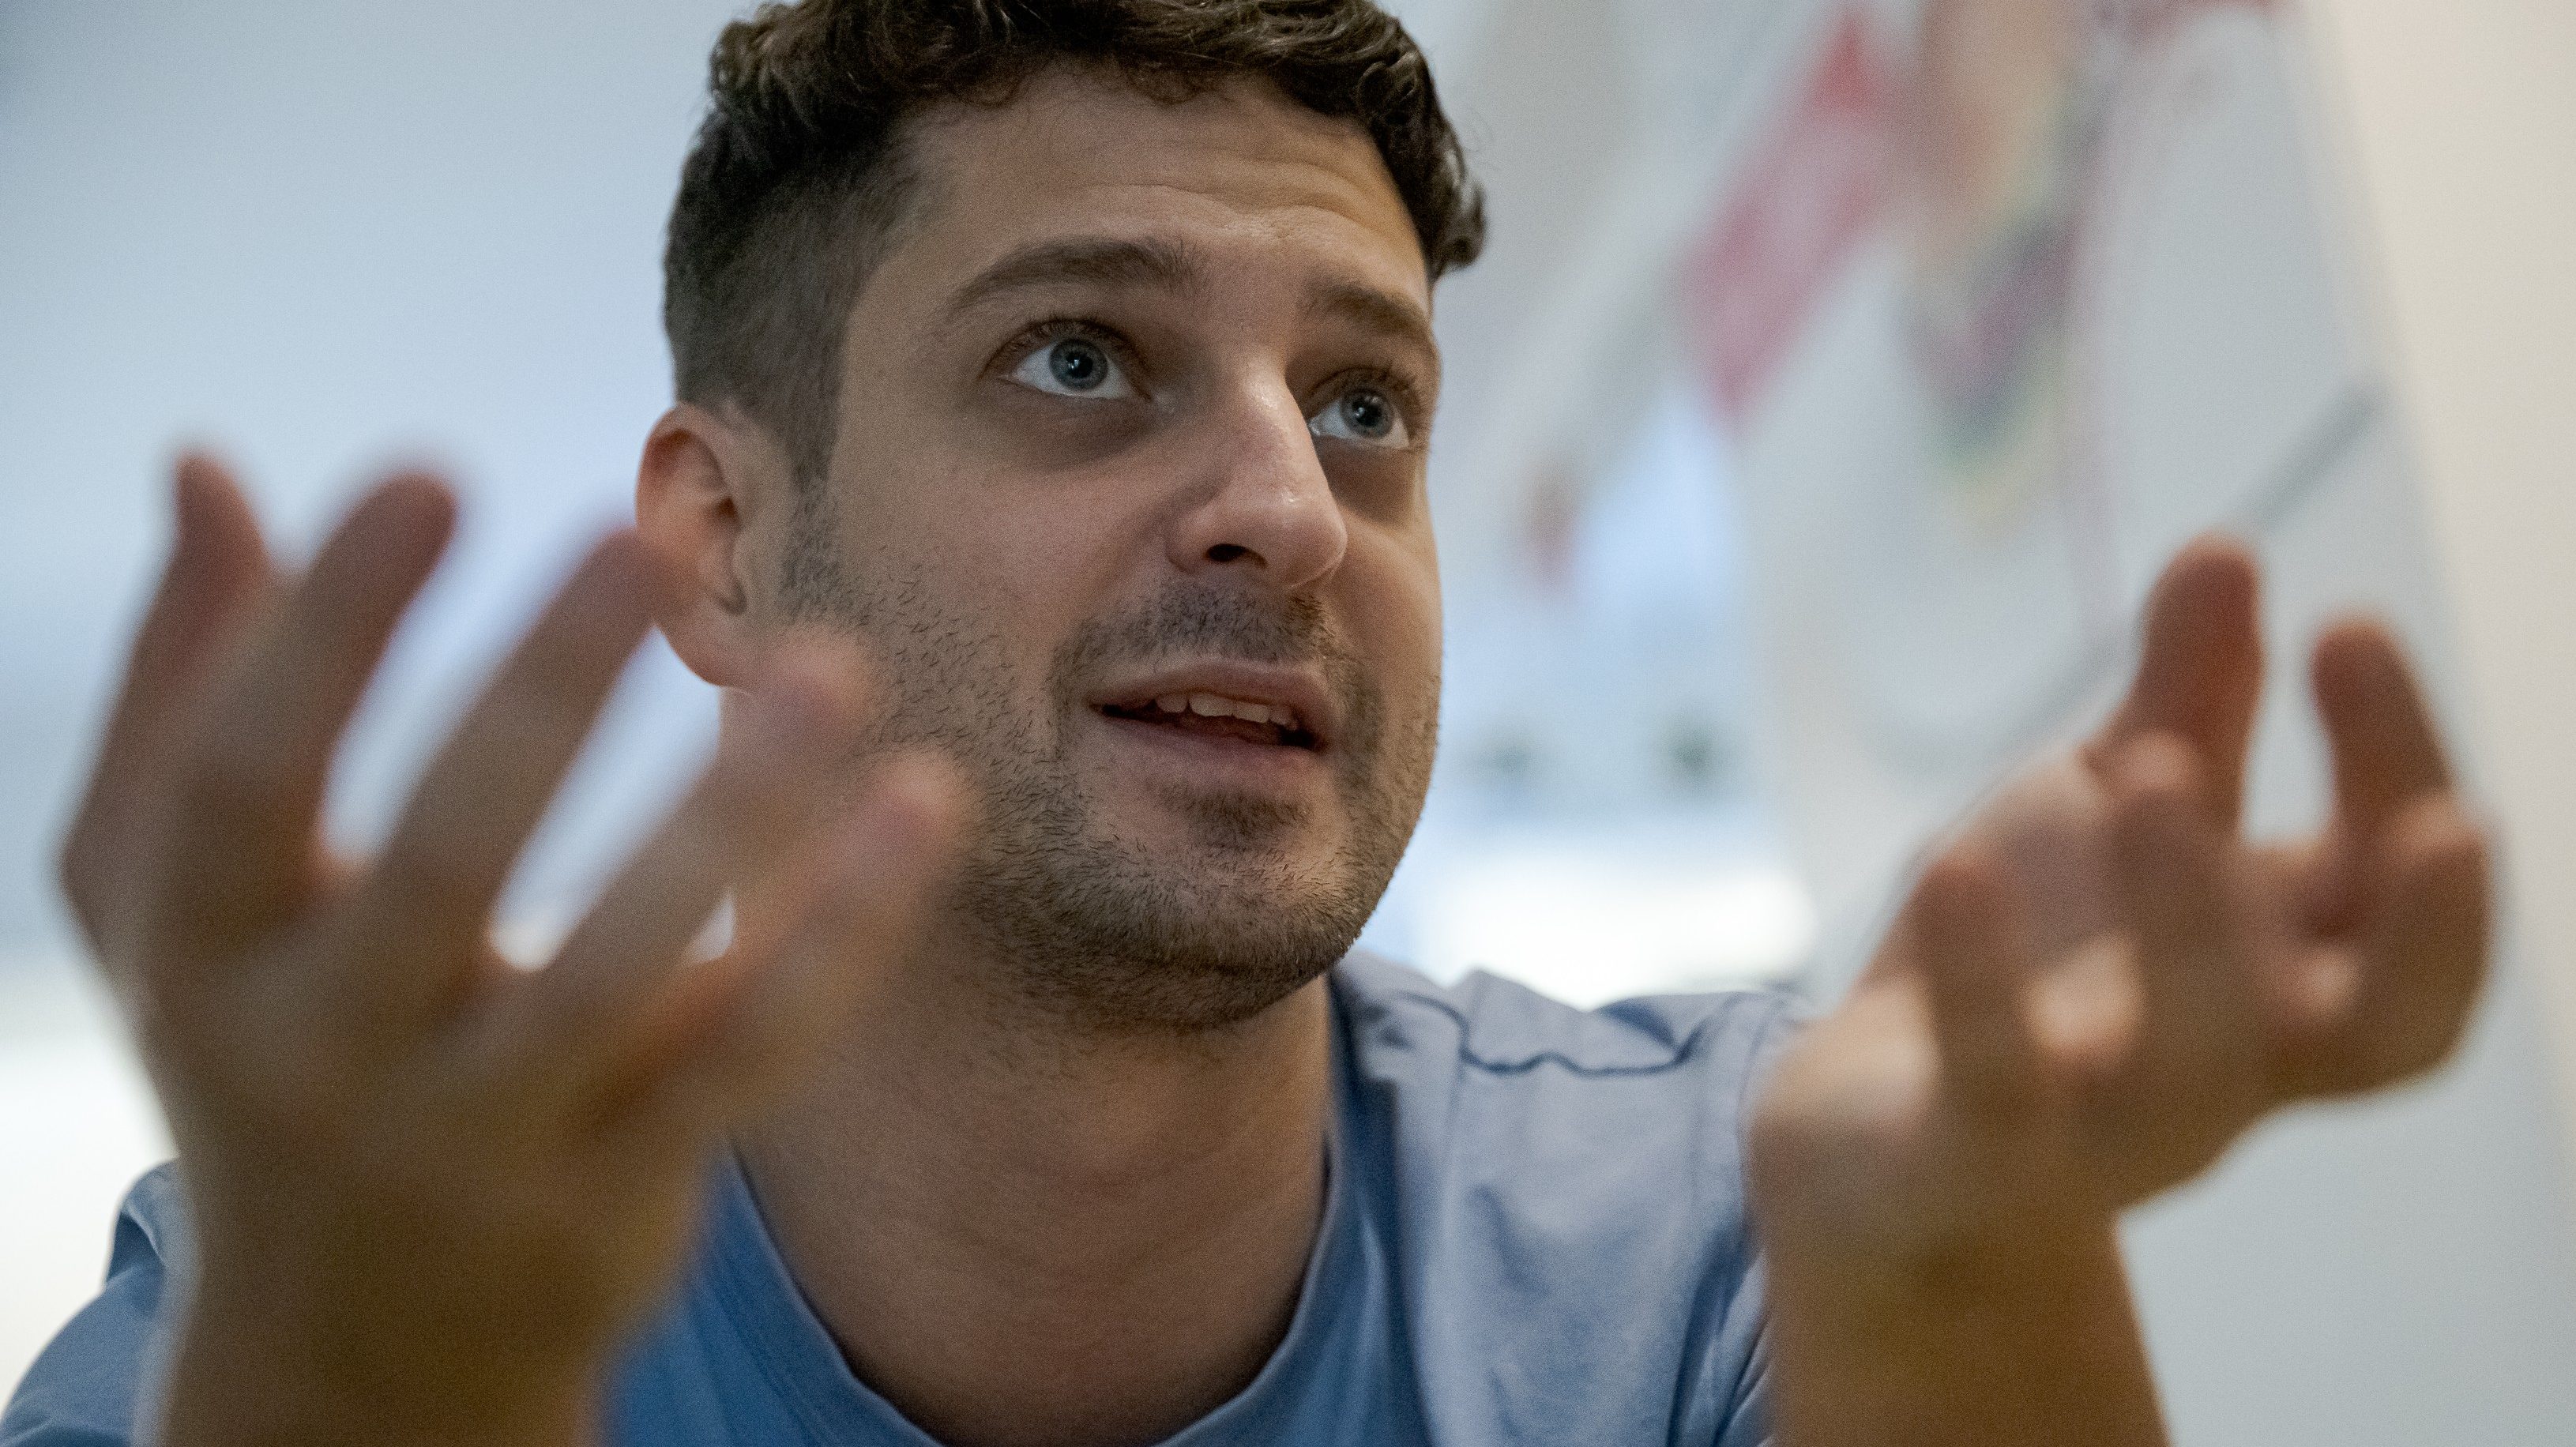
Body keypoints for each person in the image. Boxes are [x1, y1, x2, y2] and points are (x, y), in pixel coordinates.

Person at [2, 2, 2491, 1444]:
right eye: (1082, 360)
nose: (1295, 512)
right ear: (725, 539)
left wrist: (1954, 1287)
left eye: (1369, 402)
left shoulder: (1727, 1234)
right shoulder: (324, 1302)